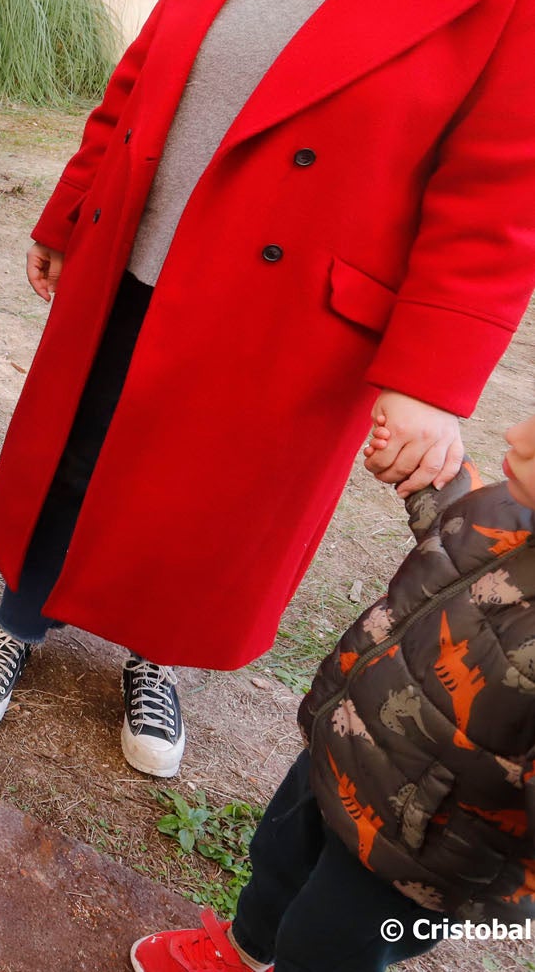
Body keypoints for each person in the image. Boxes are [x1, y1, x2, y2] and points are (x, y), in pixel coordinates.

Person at [0, 0, 535, 782]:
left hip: (288, 312)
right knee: (78, 449)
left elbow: (495, 196)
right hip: (136, 262)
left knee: (202, 502)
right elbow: (141, 81)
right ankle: (21, 614)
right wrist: (68, 212)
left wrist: (428, 381)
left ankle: (155, 653)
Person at [130, 415, 534, 972]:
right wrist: (429, 472)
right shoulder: (511, 509)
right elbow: (457, 535)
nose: (517, 434)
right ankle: (243, 951)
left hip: (419, 849)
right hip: (345, 746)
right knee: (278, 859)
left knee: (329, 945)